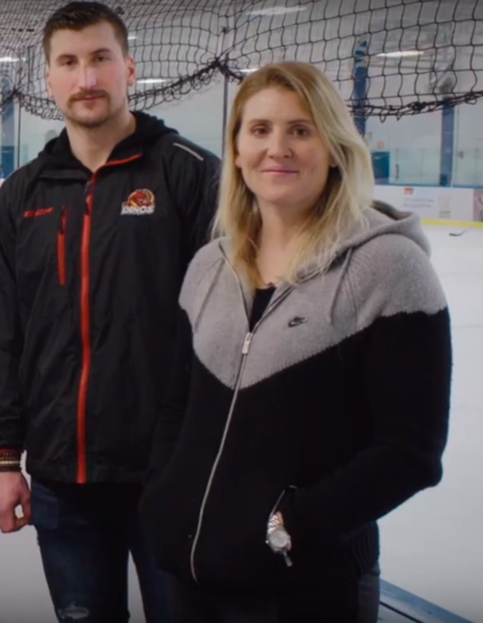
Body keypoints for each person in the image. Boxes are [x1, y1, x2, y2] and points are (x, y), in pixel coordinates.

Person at [139, 61, 452, 623]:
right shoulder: (211, 265)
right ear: (236, 150)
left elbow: (411, 451)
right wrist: (165, 496)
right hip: (190, 579)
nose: (277, 148)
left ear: (332, 148)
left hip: (306, 589)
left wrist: (291, 528)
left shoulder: (389, 268)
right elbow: (177, 407)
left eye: (300, 130)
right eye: (259, 130)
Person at [0, 3, 221, 622]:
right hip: (64, 481)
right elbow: (6, 336)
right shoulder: (23, 194)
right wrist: (6, 463)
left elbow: (226, 333)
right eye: (68, 63)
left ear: (129, 68)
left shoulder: (189, 175)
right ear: (50, 79)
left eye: (99, 59)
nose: (85, 78)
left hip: (171, 477)